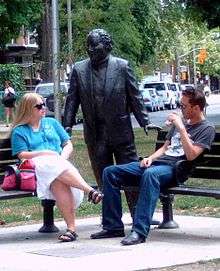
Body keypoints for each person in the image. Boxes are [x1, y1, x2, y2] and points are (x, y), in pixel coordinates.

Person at [90, 88, 215, 246]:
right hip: (157, 164)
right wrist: (150, 158)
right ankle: (112, 226)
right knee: (110, 172)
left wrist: (182, 129)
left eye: (183, 106)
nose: (180, 109)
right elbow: (165, 148)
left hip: (175, 169)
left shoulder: (206, 129)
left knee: (151, 175)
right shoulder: (179, 124)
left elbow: (191, 155)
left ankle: (139, 232)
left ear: (196, 108)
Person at [64, 28, 156, 192]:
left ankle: (137, 216)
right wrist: (67, 126)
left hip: (121, 134)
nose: (90, 49)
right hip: (95, 135)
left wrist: (145, 121)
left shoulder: (122, 66)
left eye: (94, 45)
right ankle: (110, 217)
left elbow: (135, 97)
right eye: (88, 46)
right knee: (104, 181)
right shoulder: (79, 69)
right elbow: (72, 100)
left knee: (131, 178)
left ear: (107, 46)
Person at [11, 93, 103, 242]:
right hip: (36, 166)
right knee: (52, 168)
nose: (44, 108)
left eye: (44, 104)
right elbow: (22, 155)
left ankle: (71, 230)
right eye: (39, 106)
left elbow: (68, 144)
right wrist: (44, 153)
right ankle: (90, 191)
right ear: (28, 109)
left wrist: (61, 159)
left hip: (58, 164)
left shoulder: (51, 123)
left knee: (57, 180)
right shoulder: (20, 131)